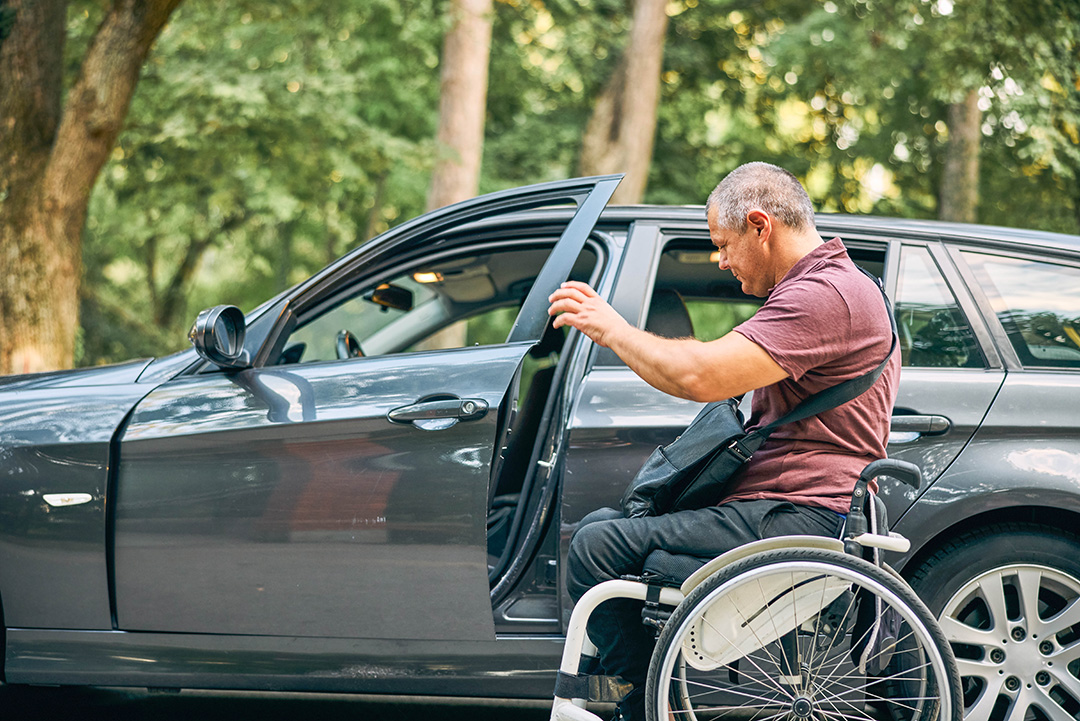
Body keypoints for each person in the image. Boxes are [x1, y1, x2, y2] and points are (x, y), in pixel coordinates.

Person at [546, 162, 900, 721]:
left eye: (724, 244)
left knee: (598, 546)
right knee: (596, 531)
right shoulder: (826, 289)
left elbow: (699, 377)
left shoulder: (824, 296)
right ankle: (638, 698)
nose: (722, 259)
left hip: (794, 512)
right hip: (778, 505)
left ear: (761, 226)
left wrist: (610, 327)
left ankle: (637, 706)